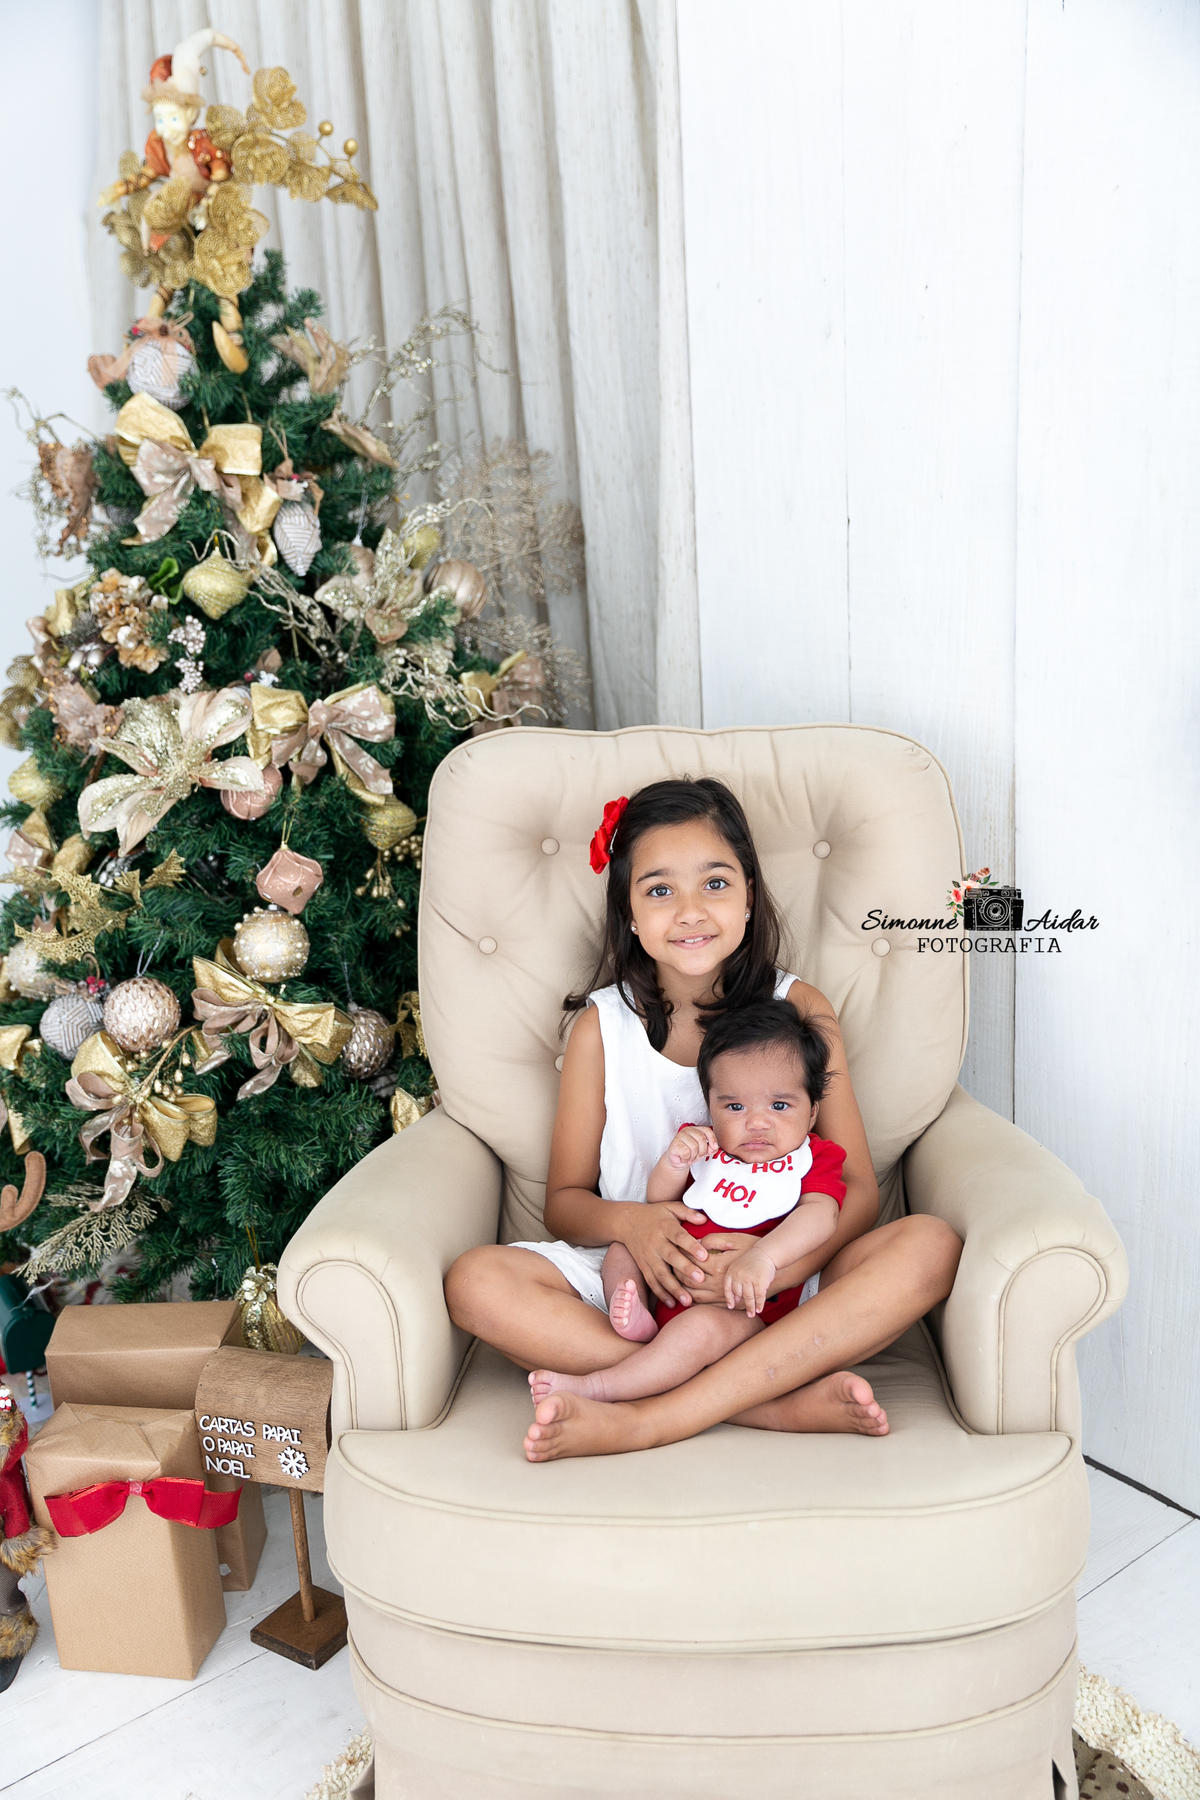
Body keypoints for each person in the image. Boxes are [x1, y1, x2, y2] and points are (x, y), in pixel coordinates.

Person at [442, 777, 963, 1462]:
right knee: (475, 1283)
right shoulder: (602, 1029)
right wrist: (635, 1226)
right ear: (629, 913)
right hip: (642, 1280)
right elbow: (565, 1202)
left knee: (930, 1246)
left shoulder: (801, 1010)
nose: (690, 911)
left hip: (781, 1275)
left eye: (715, 884)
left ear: (749, 896)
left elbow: (858, 1190)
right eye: (659, 890)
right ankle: (768, 1401)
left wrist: (769, 1269)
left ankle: (649, 1417)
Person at [529, 999, 847, 1404]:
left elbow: (821, 1216)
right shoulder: (707, 1145)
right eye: (735, 1106)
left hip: (739, 1309)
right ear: (710, 1106)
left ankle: (599, 1387)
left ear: (813, 1112)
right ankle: (635, 1312)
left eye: (780, 1105)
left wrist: (764, 1258)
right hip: (668, 1278)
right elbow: (660, 1203)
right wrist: (674, 1163)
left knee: (698, 1333)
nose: (756, 1122)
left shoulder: (813, 1158)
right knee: (621, 1249)